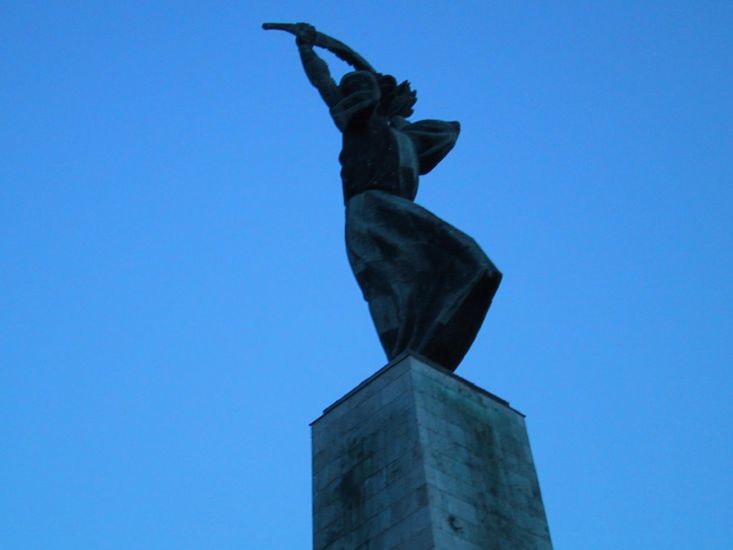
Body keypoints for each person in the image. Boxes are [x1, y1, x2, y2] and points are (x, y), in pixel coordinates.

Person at [292, 23, 502, 371]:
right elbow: (324, 83)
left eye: (362, 85)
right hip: (371, 208)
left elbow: (442, 133)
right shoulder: (355, 122)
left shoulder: (401, 134)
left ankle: (426, 346)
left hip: (395, 209)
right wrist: (308, 49)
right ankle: (411, 350)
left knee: (461, 261)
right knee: (396, 287)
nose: (353, 93)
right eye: (350, 89)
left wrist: (386, 99)